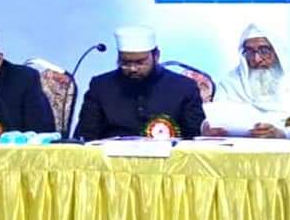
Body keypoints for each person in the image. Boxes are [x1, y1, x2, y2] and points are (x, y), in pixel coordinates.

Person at [74, 26, 205, 140]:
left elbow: (195, 137)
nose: (132, 69)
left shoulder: (184, 87)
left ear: (156, 56)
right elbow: (86, 135)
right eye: (125, 62)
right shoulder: (100, 86)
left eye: (140, 62)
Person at [204, 24, 290, 140]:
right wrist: (206, 128)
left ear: (277, 51)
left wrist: (282, 134)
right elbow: (215, 119)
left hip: (288, 151)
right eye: (250, 51)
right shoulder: (230, 83)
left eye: (264, 50)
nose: (257, 59)